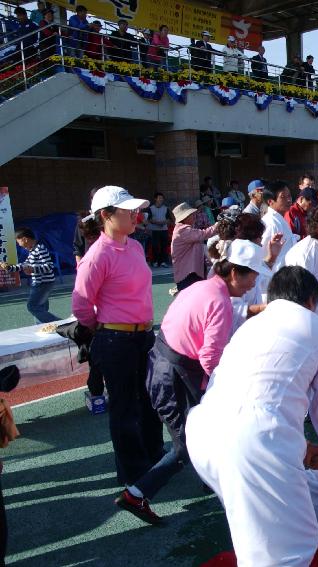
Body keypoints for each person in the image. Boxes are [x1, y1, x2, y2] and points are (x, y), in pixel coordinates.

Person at [186, 266, 318, 567]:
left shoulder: (250, 326)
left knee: (257, 531)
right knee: (295, 543)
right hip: (255, 438)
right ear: (312, 300)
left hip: (204, 429)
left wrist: (302, 448)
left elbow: (263, 394)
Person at [117, 239, 267, 524]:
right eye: (251, 276)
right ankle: (136, 494)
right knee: (189, 444)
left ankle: (211, 480)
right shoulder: (220, 302)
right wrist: (233, 387)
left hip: (161, 365)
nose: (253, 284)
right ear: (235, 272)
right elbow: (210, 358)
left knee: (202, 432)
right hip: (175, 377)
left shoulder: (200, 286)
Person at [71, 186, 165, 520]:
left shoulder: (136, 247)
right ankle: (133, 476)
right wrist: (105, 328)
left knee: (150, 401)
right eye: (127, 211)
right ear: (106, 216)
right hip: (116, 339)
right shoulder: (97, 255)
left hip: (143, 337)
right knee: (125, 409)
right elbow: (81, 304)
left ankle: (154, 461)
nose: (135, 215)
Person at [1, 228, 59, 323]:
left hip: (43, 283)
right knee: (40, 308)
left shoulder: (40, 249)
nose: (19, 244)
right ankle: (43, 327)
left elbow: (49, 266)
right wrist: (10, 268)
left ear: (25, 239)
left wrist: (33, 269)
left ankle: (59, 324)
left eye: (18, 241)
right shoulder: (33, 250)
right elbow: (25, 265)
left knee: (33, 306)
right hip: (42, 283)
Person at [170, 202, 219, 291]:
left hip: (190, 272)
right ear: (185, 218)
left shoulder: (184, 229)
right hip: (187, 274)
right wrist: (217, 225)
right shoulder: (182, 230)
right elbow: (203, 234)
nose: (194, 216)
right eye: (191, 214)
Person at [260, 181, 298, 271]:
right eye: (283, 197)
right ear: (270, 202)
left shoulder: (279, 219)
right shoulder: (270, 223)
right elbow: (264, 255)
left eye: (289, 196)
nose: (288, 200)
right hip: (276, 275)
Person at [147, 192, 171, 268]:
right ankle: (155, 261)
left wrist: (164, 222)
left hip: (164, 229)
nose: (161, 199)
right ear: (155, 199)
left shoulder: (166, 208)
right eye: (159, 198)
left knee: (164, 246)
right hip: (154, 230)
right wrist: (157, 222)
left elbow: (169, 219)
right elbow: (149, 219)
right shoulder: (151, 208)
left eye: (162, 198)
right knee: (155, 246)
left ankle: (163, 261)